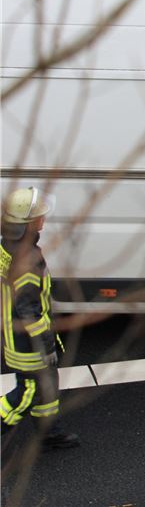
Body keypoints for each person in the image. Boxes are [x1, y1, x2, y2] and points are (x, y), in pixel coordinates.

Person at [0, 187, 79, 449]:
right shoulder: (27, 260)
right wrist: (45, 345)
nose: (43, 219)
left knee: (47, 386)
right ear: (29, 223)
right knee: (28, 392)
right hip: (27, 344)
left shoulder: (7, 246)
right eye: (39, 216)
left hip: (15, 334)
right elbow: (28, 311)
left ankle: (49, 433)